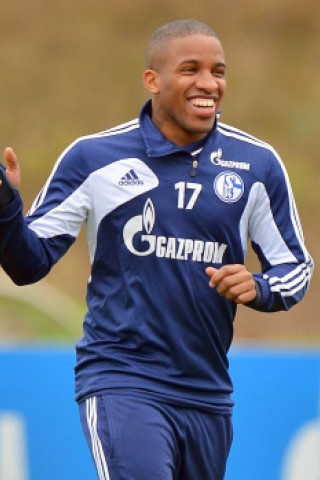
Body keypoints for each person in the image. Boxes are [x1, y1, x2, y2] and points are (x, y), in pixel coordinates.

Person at [0, 19, 313, 480]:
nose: (209, 83)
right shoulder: (95, 158)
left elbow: (296, 267)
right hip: (121, 378)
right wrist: (6, 206)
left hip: (207, 393)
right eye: (190, 69)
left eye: (218, 71)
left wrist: (260, 285)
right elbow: (28, 263)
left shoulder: (257, 165)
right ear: (153, 80)